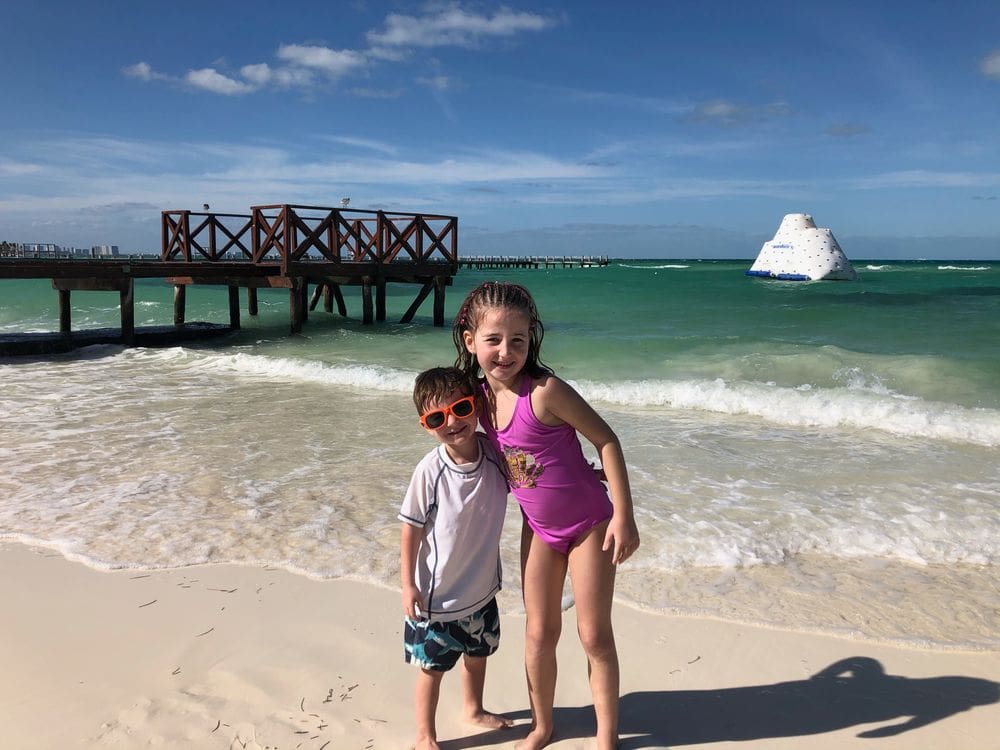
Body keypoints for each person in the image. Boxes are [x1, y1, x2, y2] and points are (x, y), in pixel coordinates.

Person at [453, 281, 640, 750]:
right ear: (469, 339)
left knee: (593, 633)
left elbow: (607, 440)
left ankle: (606, 736)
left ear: (531, 339)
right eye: (493, 340)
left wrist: (624, 516)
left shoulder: (546, 392)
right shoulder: (472, 400)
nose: (506, 351)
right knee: (539, 633)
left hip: (590, 527)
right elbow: (446, 430)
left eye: (518, 340)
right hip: (538, 530)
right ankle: (542, 725)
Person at [399, 366, 514, 750]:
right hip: (438, 599)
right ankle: (424, 735)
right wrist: (408, 585)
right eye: (436, 417)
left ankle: (473, 708)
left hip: (481, 590)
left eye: (460, 408)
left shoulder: (495, 453)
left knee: (478, 654)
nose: (452, 421)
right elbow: (411, 530)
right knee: (432, 669)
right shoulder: (430, 471)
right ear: (425, 426)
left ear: (475, 404)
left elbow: (533, 477)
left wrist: (581, 477)